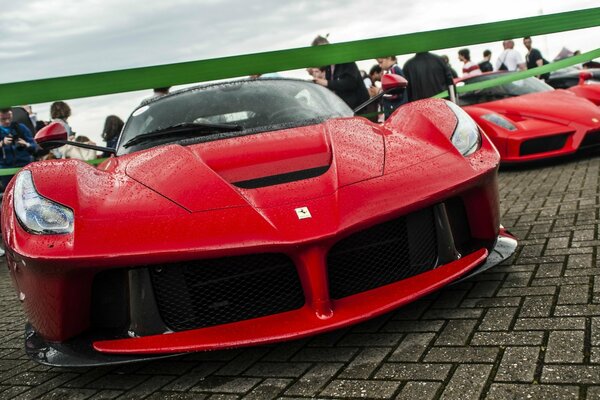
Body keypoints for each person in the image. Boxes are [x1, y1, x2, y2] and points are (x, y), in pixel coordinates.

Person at [310, 35, 369, 110]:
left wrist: (326, 82)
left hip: (358, 109)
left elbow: (351, 83)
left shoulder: (345, 60)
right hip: (343, 109)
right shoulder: (328, 66)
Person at [0, 108, 38, 189]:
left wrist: (26, 144)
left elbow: (34, 147)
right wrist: (2, 143)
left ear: (12, 115)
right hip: (5, 171)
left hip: (23, 168)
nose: (7, 121)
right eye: (3, 119)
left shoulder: (21, 128)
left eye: (9, 118)